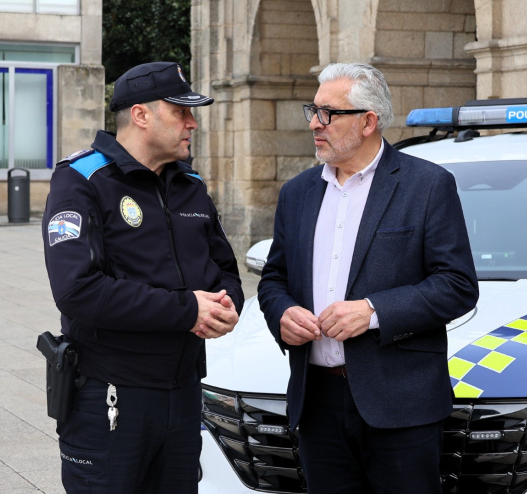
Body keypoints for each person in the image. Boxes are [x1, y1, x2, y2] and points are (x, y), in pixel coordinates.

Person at [258, 62, 479, 493]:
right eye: (312, 111)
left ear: (367, 121)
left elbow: (457, 284)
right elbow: (273, 278)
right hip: (317, 403)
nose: (313, 125)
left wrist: (373, 311)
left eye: (327, 113)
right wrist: (282, 313)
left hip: (401, 406)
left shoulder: (427, 185)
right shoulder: (298, 193)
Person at [41, 61, 243, 494]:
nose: (192, 123)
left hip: (185, 394)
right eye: (181, 112)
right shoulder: (81, 180)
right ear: (141, 115)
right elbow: (77, 290)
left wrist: (227, 306)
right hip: (110, 397)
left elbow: (225, 269)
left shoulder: (190, 184)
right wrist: (187, 310)